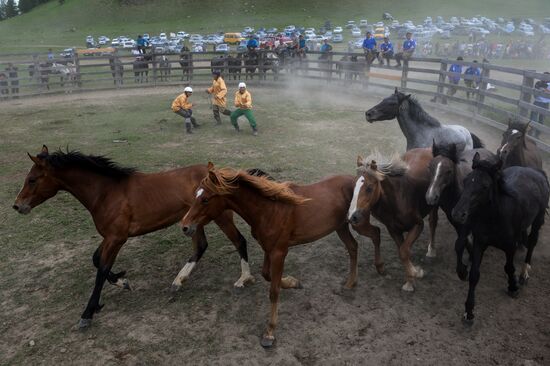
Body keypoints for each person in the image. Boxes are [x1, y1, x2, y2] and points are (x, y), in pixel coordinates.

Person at [530, 72, 550, 138]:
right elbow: (535, 92)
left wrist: (545, 91)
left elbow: (535, 94)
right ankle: (534, 133)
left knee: (537, 118)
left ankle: (535, 133)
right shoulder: (539, 83)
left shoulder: (539, 83)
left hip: (541, 102)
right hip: (541, 102)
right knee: (537, 118)